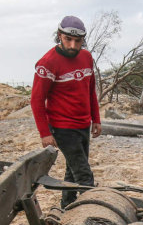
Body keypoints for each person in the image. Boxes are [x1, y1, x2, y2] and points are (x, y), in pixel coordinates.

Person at [31, 15, 102, 208]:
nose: (72, 45)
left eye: (77, 41)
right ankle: (92, 213)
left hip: (83, 124)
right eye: (67, 40)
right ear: (59, 36)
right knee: (84, 174)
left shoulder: (86, 57)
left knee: (73, 170)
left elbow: (90, 90)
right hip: (62, 127)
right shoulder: (47, 63)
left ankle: (66, 207)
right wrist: (45, 133)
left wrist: (96, 119)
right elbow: (36, 100)